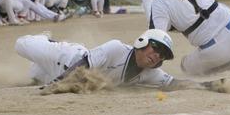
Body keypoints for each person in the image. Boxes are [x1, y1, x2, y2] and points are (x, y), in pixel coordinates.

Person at [16, 29, 184, 90]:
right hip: (65, 58)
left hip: (63, 76)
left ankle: (42, 62)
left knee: (35, 75)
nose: (157, 56)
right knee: (21, 45)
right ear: (142, 42)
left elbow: (174, 83)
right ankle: (43, 39)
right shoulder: (116, 48)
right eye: (156, 48)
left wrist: (206, 85)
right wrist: (57, 83)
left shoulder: (150, 73)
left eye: (162, 55)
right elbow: (82, 66)